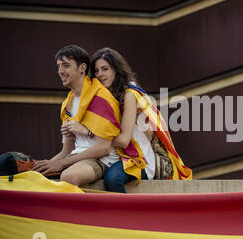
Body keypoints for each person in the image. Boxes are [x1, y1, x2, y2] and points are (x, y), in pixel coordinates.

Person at [63, 47, 193, 193]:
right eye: (97, 71)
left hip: (139, 158)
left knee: (113, 179)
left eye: (105, 69)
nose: (100, 74)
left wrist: (88, 133)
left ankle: (127, 215)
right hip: (120, 156)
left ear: (116, 70)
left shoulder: (129, 95)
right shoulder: (105, 97)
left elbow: (124, 140)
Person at [32, 45, 121, 186]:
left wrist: (61, 164)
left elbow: (103, 148)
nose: (60, 71)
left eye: (66, 65)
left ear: (82, 68)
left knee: (69, 177)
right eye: (58, 66)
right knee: (34, 178)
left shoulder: (101, 97)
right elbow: (67, 149)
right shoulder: (67, 103)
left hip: (102, 160)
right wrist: (45, 166)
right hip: (77, 157)